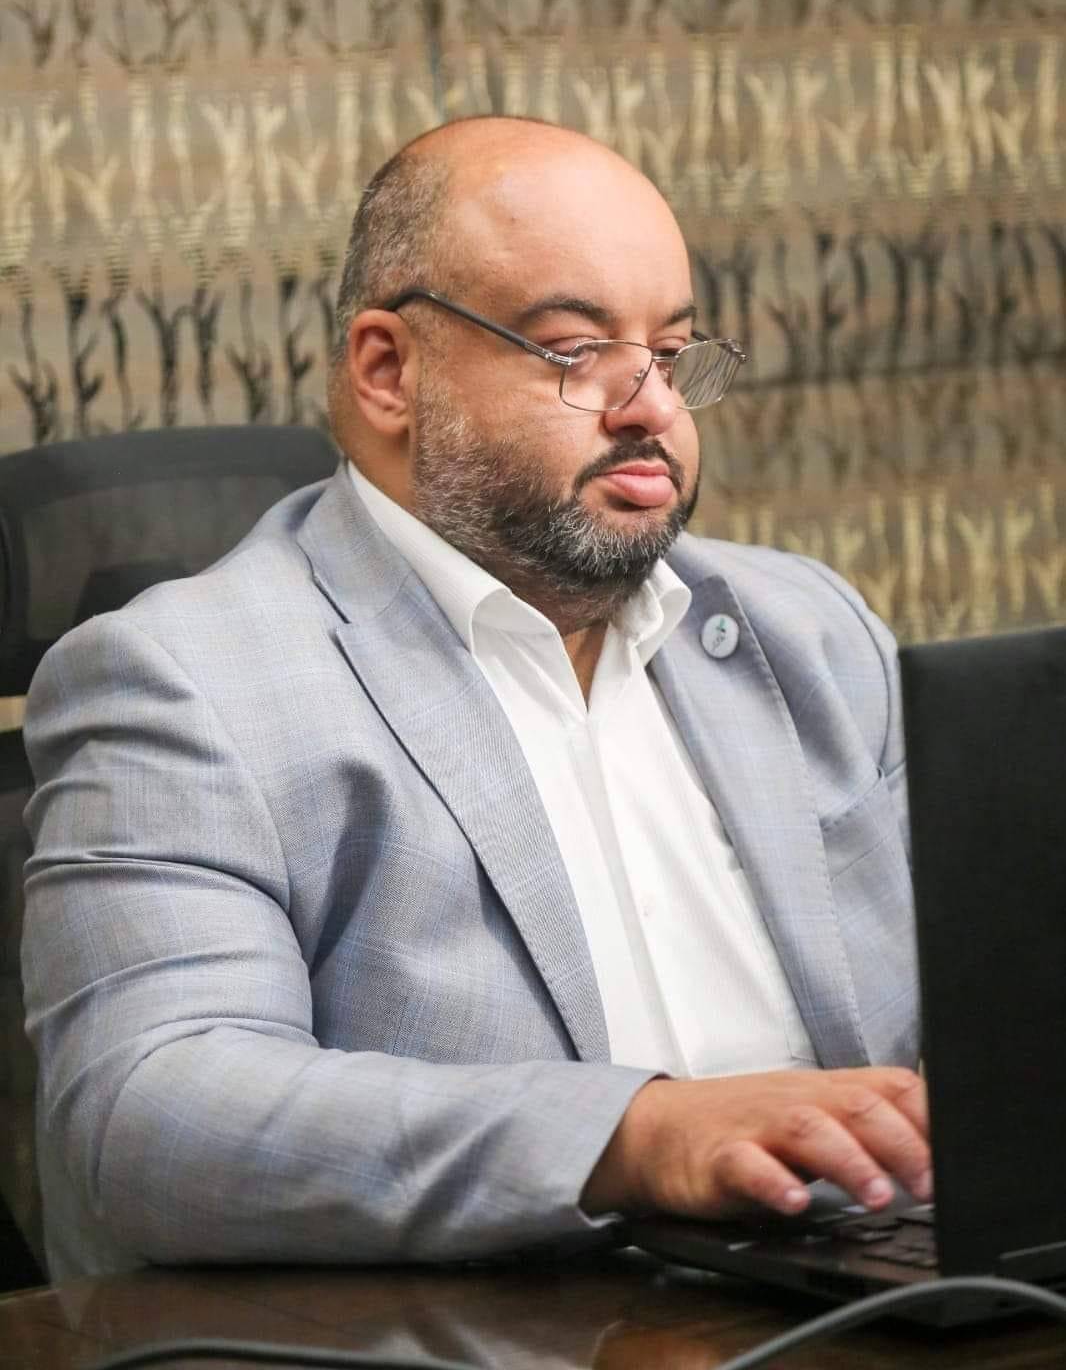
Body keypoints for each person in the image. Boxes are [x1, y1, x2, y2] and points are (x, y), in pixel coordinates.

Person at [22, 117, 927, 1281]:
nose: (651, 407)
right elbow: (150, 1116)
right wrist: (635, 1135)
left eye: (670, 352)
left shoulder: (808, 631)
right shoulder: (187, 682)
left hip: (866, 1283)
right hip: (495, 1326)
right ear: (389, 370)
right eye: (576, 351)